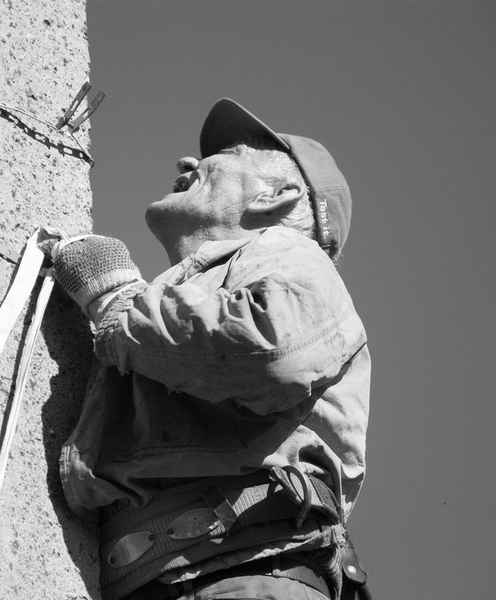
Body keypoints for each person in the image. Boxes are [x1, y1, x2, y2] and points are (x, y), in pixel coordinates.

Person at [45, 98, 371, 600]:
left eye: (229, 153)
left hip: (244, 576)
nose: (187, 161)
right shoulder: (190, 296)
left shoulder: (292, 255)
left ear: (276, 196)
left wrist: (119, 301)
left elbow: (271, 350)